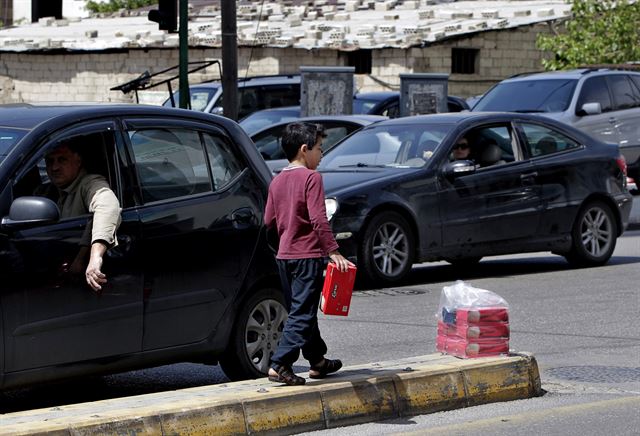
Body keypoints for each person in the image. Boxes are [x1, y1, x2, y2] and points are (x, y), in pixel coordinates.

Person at [264, 122, 352, 386]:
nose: (321, 154)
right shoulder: (312, 178)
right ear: (304, 150)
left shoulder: (277, 180)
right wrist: (333, 250)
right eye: (319, 148)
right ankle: (280, 363)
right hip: (307, 256)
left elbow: (269, 221)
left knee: (302, 309)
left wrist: (282, 245)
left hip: (284, 256)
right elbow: (318, 218)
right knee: (302, 313)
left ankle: (317, 361)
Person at [34, 141, 121, 292]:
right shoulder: (44, 191)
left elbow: (108, 206)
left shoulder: (90, 183)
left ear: (78, 161)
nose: (54, 167)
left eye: (62, 160)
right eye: (49, 161)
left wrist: (95, 256)